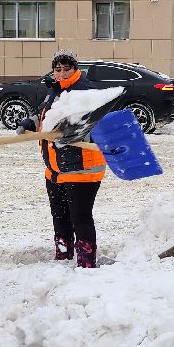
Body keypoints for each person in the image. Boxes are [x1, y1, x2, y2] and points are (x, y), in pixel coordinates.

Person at [38, 51, 106, 268]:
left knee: (80, 217)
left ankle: (86, 262)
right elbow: (46, 117)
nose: (61, 73)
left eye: (67, 68)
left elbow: (96, 125)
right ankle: (63, 255)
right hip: (56, 168)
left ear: (76, 69)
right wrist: (31, 123)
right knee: (60, 216)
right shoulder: (55, 91)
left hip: (82, 167)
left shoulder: (85, 92)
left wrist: (70, 134)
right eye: (57, 69)